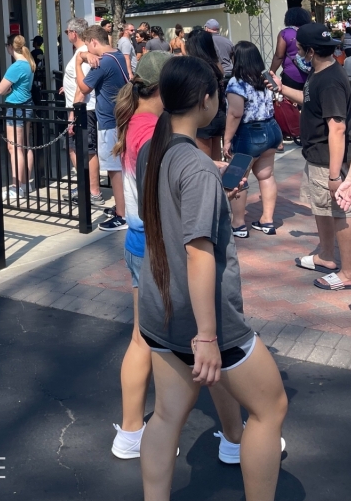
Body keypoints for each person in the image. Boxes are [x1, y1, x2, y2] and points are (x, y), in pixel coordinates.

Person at [137, 56, 287, 500]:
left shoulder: (154, 149)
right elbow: (199, 253)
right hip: (207, 321)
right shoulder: (196, 167)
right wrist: (206, 336)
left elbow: (174, 205)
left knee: (165, 416)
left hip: (158, 308)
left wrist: (214, 185)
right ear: (205, 100)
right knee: (270, 407)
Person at [111, 51, 247, 467]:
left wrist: (208, 175)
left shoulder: (146, 130)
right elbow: (196, 245)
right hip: (158, 248)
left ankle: (137, 432)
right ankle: (236, 437)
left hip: (150, 243)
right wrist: (208, 179)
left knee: (155, 356)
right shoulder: (152, 133)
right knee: (210, 351)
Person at [273, 23, 351, 290]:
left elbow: (337, 127)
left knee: (339, 212)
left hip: (328, 159)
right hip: (316, 155)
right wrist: (282, 88)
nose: (295, 53)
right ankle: (325, 255)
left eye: (298, 49)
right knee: (321, 208)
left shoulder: (331, 79)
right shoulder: (318, 72)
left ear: (310, 50)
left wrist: (336, 175)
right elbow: (311, 101)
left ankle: (349, 274)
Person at [223, 42, 283, 237]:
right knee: (266, 176)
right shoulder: (265, 78)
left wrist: (227, 140)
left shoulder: (236, 82)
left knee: (237, 178)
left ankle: (238, 224)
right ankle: (267, 220)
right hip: (271, 129)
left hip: (249, 134)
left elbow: (235, 113)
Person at [77, 26, 130, 231]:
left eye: (88, 45)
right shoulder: (117, 55)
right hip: (121, 118)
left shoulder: (103, 62)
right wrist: (84, 54)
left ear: (93, 42)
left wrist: (78, 62)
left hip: (109, 122)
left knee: (114, 169)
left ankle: (122, 215)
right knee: (122, 168)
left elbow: (84, 88)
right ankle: (124, 205)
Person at [61, 18, 104, 209]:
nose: (67, 35)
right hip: (80, 108)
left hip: (83, 109)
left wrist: (72, 114)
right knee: (75, 148)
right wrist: (66, 86)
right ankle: (84, 186)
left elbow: (84, 85)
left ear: (73, 33)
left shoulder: (83, 53)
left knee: (87, 150)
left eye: (66, 31)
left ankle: (93, 191)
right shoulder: (80, 53)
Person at [0, 33, 36, 199]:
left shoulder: (16, 66)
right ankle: (26, 183)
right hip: (26, 104)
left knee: (15, 148)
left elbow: (0, 89)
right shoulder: (29, 63)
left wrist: (10, 90)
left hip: (15, 107)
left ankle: (16, 186)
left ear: (10, 47)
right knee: (25, 146)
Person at [184, 27, 226, 163]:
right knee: (217, 160)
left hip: (203, 117)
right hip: (218, 114)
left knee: (205, 162)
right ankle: (220, 184)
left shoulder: (196, 66)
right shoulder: (216, 64)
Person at [269, 7, 313, 89]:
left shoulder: (285, 33)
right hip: (312, 74)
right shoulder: (311, 32)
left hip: (291, 75)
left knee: (290, 101)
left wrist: (272, 73)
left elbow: (279, 56)